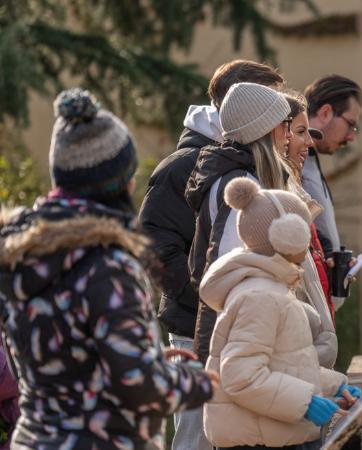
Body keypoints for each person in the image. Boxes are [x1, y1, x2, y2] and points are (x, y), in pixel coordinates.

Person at [0, 88, 216, 449]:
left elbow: (61, 362)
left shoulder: (20, 254)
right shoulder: (108, 264)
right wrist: (201, 380)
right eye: (128, 173)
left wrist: (138, 350)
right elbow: (141, 388)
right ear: (114, 183)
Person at [137, 59, 285, 450]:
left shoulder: (243, 161)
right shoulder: (184, 166)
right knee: (196, 435)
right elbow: (153, 245)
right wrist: (204, 301)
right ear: (235, 104)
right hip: (193, 327)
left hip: (226, 322)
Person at [199, 177, 361, 449]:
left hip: (270, 433)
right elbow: (240, 376)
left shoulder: (271, 288)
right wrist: (306, 402)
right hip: (259, 440)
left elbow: (286, 365)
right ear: (289, 235)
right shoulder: (261, 296)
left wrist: (336, 385)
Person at [186, 82, 293, 366]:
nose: (289, 134)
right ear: (266, 130)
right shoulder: (242, 187)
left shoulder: (238, 175)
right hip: (239, 337)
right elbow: (234, 266)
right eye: (285, 124)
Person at [280, 92, 338, 368]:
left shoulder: (294, 188)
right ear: (279, 133)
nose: (310, 142)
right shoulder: (274, 199)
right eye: (301, 131)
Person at [301, 76, 362, 311]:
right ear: (326, 112)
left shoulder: (310, 160)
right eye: (351, 125)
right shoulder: (296, 163)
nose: (351, 137)